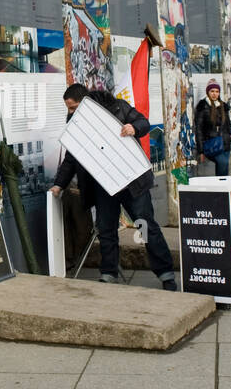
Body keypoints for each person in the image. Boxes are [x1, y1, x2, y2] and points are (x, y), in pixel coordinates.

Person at [50, 84, 178, 291]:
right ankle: (108, 273)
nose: (70, 112)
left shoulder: (117, 107)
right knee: (106, 229)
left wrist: (134, 128)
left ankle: (166, 273)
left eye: (73, 107)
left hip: (131, 181)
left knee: (145, 225)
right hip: (103, 186)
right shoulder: (76, 124)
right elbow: (71, 158)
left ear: (86, 101)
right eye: (68, 109)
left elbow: (143, 122)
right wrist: (58, 184)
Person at [193, 81, 231, 176]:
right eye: (212, 91)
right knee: (223, 164)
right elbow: (199, 129)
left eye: (217, 91)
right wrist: (201, 151)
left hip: (225, 143)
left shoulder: (222, 106)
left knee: (224, 168)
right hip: (212, 144)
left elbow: (228, 124)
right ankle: (222, 187)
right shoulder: (203, 106)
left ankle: (223, 187)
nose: (215, 94)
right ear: (208, 92)